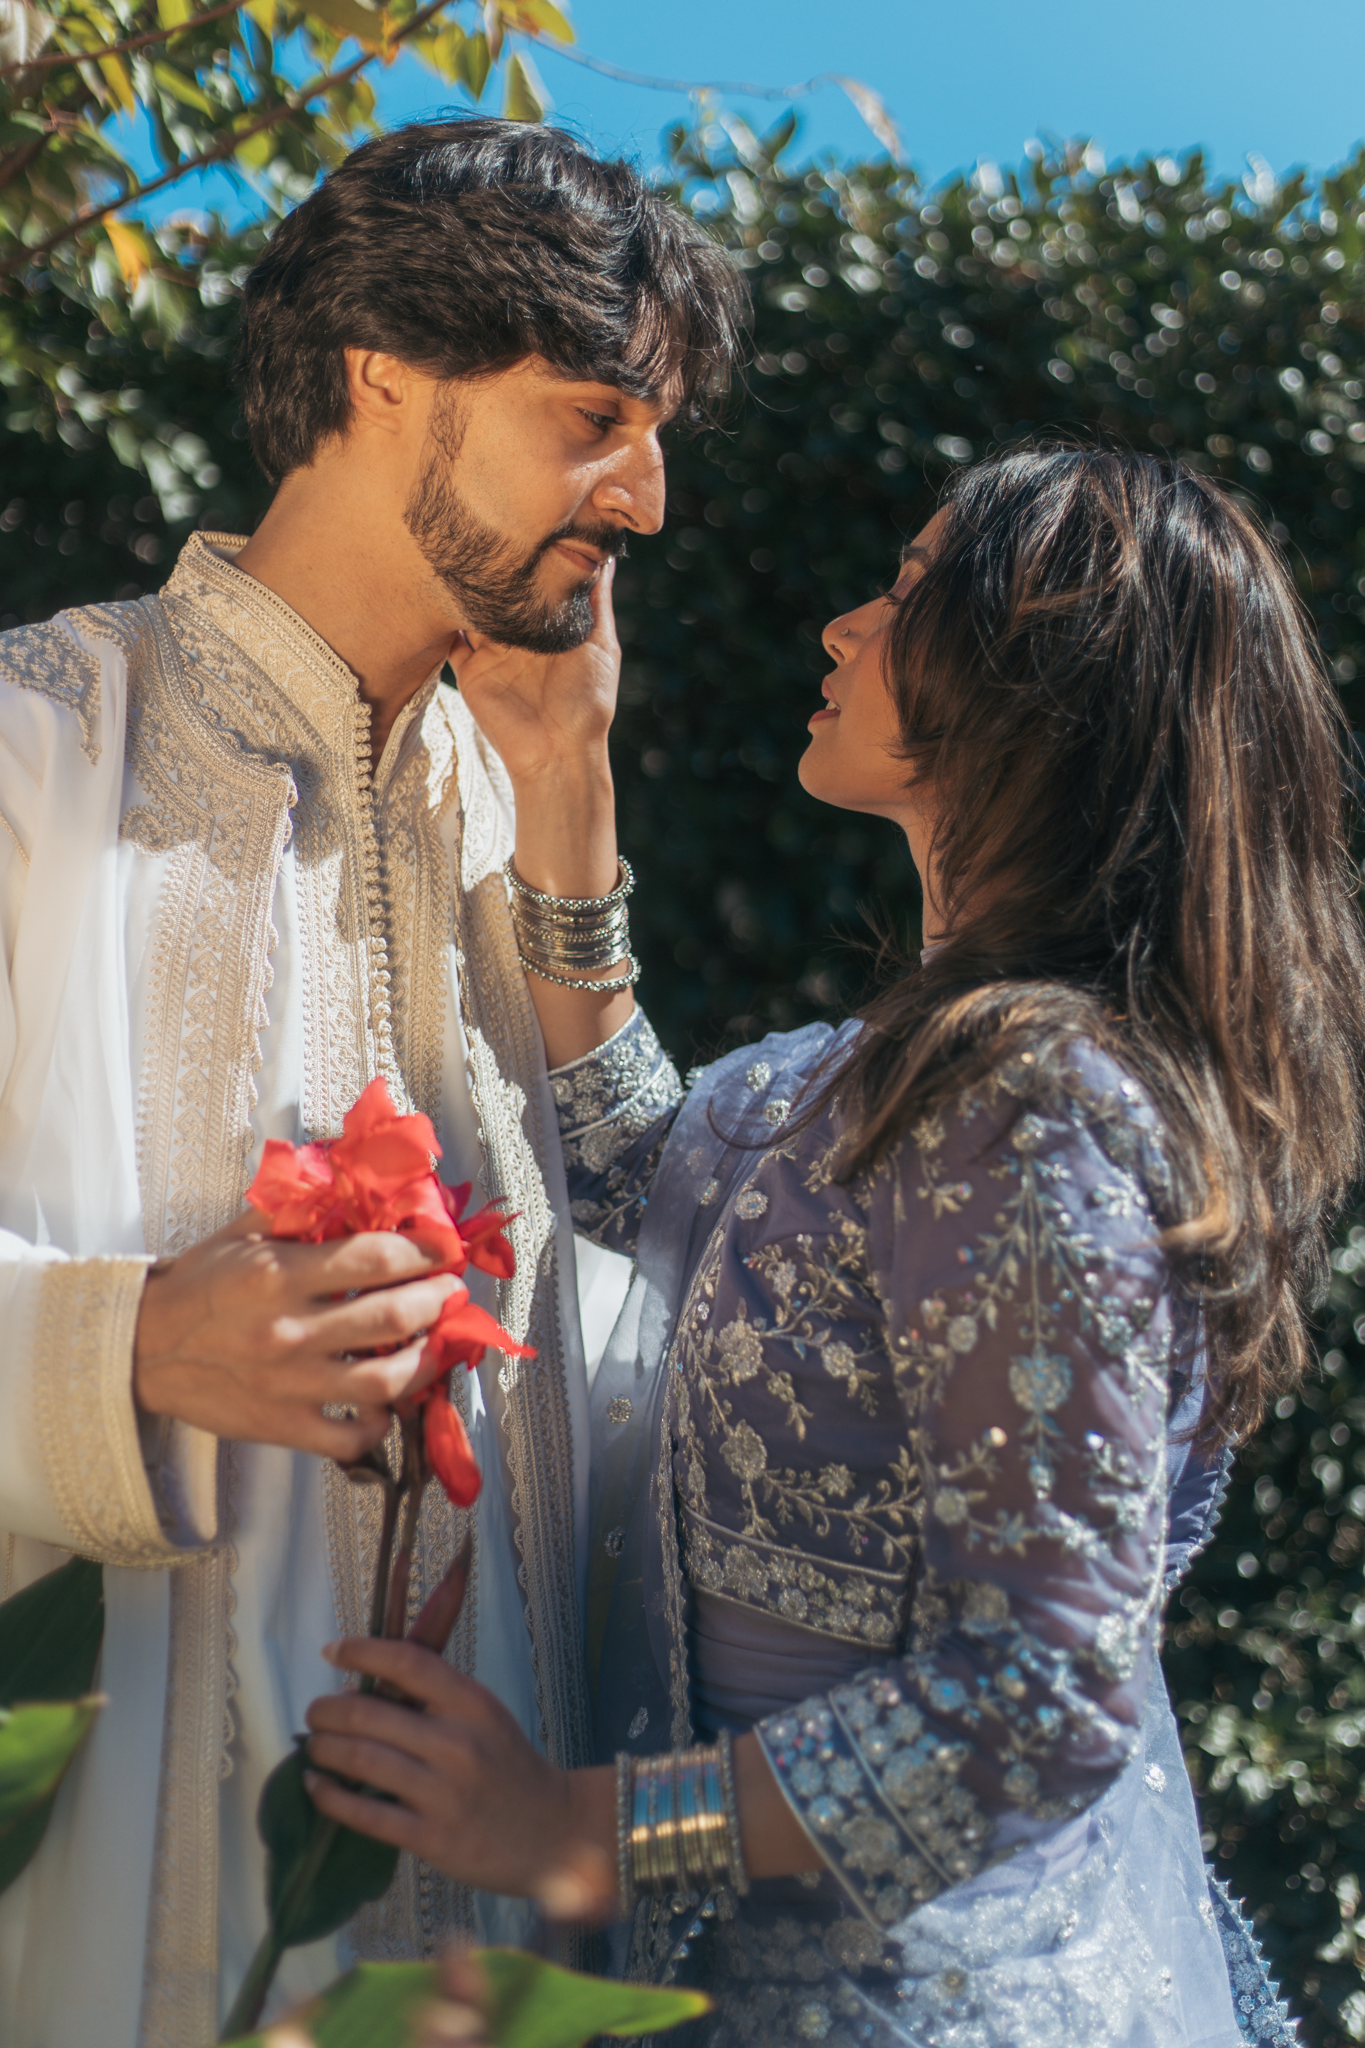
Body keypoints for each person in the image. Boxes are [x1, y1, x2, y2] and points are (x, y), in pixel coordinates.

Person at [301, 447, 1365, 2046]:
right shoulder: (881, 1070)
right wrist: (565, 760)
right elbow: (634, 1167)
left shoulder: (1033, 1098)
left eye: (916, 593)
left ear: (1043, 689)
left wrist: (579, 1835)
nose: (845, 627)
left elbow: (1039, 1701)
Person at [0, 117, 744, 2048]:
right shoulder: (37, 755)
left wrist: (570, 815)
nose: (647, 498)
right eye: (597, 415)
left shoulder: (517, 841)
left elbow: (666, 1278)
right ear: (383, 368)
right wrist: (123, 1351)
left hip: (474, 1971)